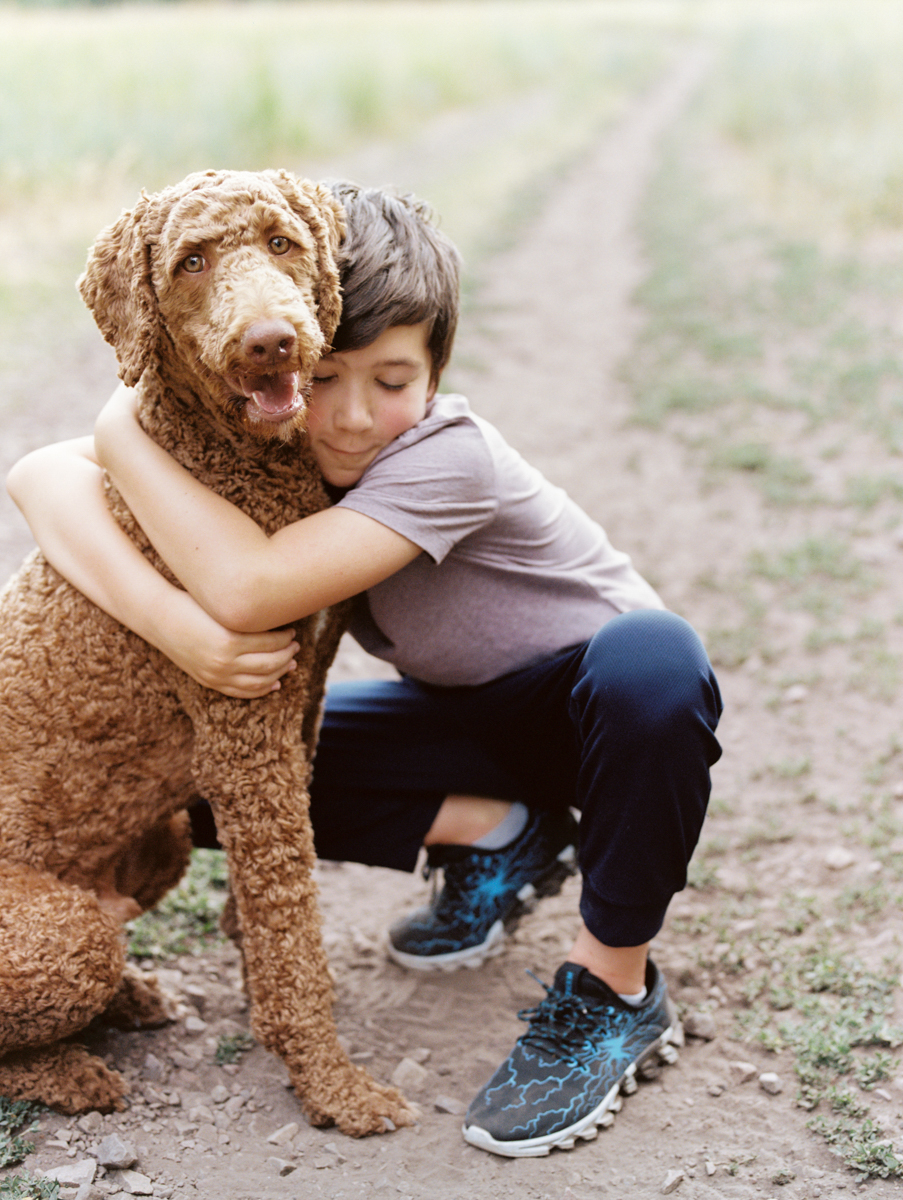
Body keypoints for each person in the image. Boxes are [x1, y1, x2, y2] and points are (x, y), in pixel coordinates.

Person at [7, 181, 722, 1158]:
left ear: (436, 373)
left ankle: (615, 987)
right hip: (465, 718)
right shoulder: (279, 453)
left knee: (657, 656)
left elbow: (249, 589)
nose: (347, 419)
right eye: (327, 378)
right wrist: (116, 430)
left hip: (596, 714)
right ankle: (497, 836)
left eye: (391, 382)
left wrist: (120, 441)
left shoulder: (446, 458)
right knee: (207, 782)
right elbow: (41, 476)